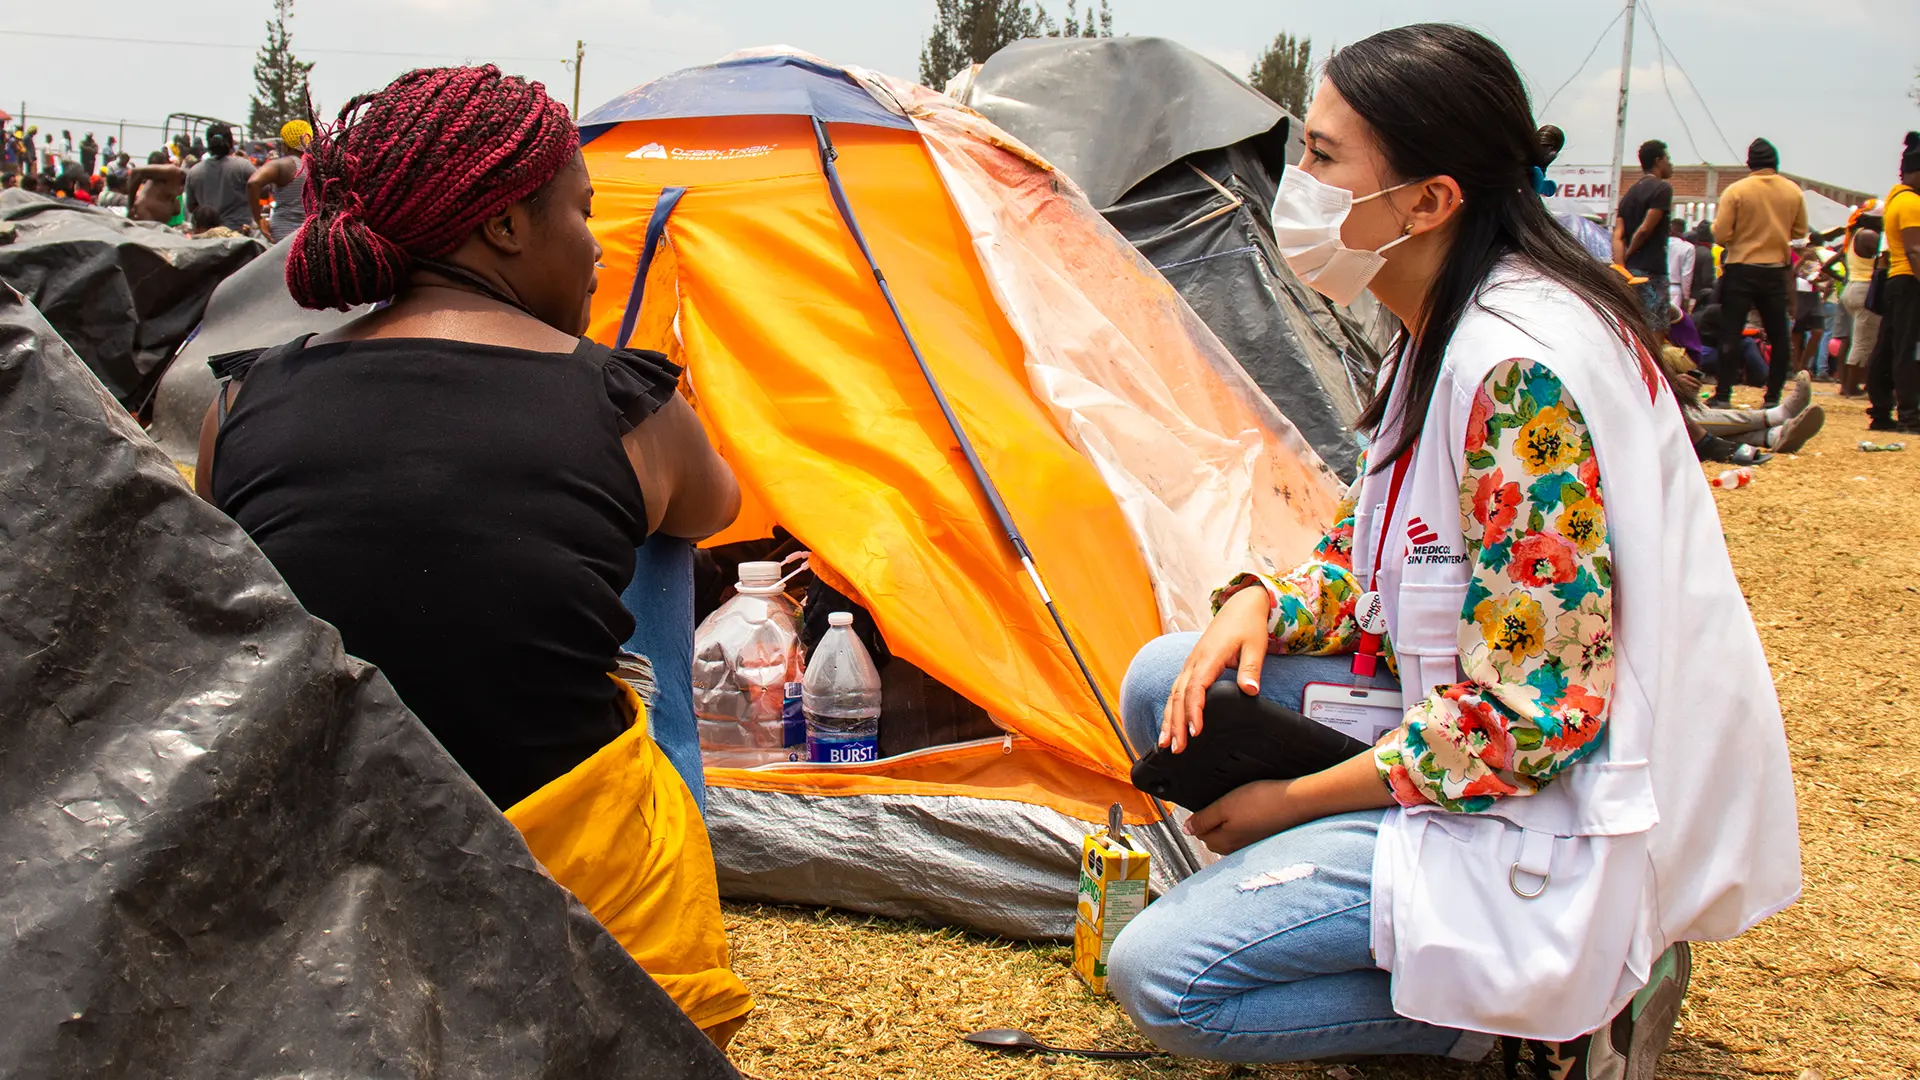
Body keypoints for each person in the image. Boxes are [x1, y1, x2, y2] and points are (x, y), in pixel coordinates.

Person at [1104, 24, 1799, 1076]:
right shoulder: (1442, 327)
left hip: (1546, 806)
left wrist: (1291, 805)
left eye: (1323, 157)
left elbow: (1534, 716)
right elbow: (1377, 548)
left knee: (1166, 979)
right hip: (1470, 738)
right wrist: (1262, 600)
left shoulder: (1517, 376)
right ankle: (1374, 924)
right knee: (1174, 681)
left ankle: (1545, 1016)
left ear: (1429, 200)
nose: (1297, 187)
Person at [192, 65, 753, 1042]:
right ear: (503, 225)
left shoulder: (241, 401)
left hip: (309, 860)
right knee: (660, 539)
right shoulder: (624, 402)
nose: (598, 246)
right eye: (584, 213)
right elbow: (720, 505)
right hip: (554, 877)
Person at [1710, 139, 1806, 408]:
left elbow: (1720, 235)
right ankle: (1773, 397)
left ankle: (1723, 395)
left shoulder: (1736, 191)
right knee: (1779, 335)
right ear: (1776, 163)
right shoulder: (1793, 191)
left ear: (1749, 164)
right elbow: (1799, 235)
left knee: (1731, 332)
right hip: (1775, 270)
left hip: (1741, 268)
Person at [1865, 132, 1920, 432]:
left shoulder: (1896, 198)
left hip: (1896, 281)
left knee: (1887, 348)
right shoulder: (1911, 203)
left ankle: (1881, 411)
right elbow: (1915, 250)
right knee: (1906, 349)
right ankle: (1910, 415)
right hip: (1910, 280)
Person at [1613, 139, 1674, 326]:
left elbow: (1618, 235)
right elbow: (1645, 230)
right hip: (1651, 272)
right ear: (1658, 161)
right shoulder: (1662, 189)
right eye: (1668, 158)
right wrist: (1631, 253)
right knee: (1656, 328)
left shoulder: (1629, 194)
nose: (1671, 164)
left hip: (1630, 274)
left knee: (1633, 324)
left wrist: (1622, 266)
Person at [1838, 205, 1883, 397]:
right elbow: (1884, 256)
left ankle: (1850, 384)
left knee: (1859, 339)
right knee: (1863, 342)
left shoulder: (1856, 234)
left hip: (1854, 287)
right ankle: (1851, 387)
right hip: (1865, 289)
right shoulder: (1869, 235)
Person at [184, 122, 258, 232]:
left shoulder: (194, 172)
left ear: (209, 143)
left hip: (208, 234)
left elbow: (191, 207)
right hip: (240, 233)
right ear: (231, 142)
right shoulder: (244, 166)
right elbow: (264, 191)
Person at [247, 119, 312, 243]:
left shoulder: (284, 165)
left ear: (285, 145)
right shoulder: (315, 166)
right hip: (309, 236)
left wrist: (258, 219)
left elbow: (253, 183)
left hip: (282, 234)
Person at [129, 150, 186, 225]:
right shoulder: (171, 171)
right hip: (146, 218)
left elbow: (176, 209)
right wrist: (130, 206)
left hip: (157, 222)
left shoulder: (173, 176)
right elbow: (136, 172)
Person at [1666, 216, 1696, 316]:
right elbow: (1687, 274)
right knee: (1674, 320)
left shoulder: (1661, 244)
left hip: (1658, 285)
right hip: (1676, 289)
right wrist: (1686, 297)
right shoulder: (1688, 247)